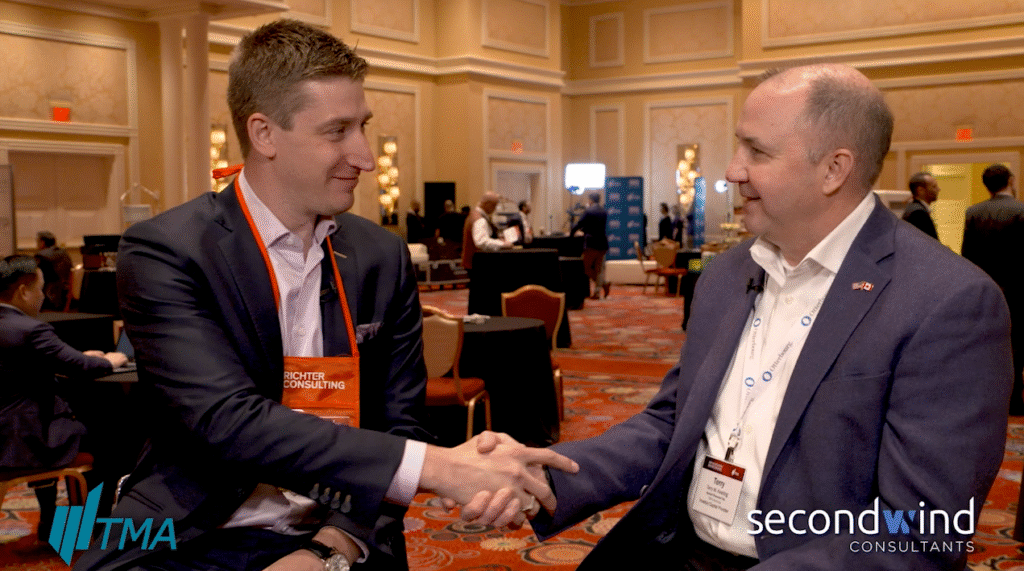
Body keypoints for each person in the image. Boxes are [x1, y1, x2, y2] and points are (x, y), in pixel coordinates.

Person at [78, 20, 576, 571]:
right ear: (264, 134)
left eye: (363, 126)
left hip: (343, 528)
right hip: (191, 530)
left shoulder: (381, 256)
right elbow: (226, 420)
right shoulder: (167, 250)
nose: (365, 156)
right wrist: (440, 468)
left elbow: (400, 424)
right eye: (337, 131)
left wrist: (331, 548)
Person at [487, 64, 1012, 570]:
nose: (732, 170)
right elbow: (673, 422)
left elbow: (919, 530)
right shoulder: (725, 275)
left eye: (756, 152)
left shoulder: (947, 302)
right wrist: (546, 479)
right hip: (684, 552)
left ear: (834, 169)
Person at [0, 255, 128, 539]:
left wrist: (80, 357)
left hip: (8, 432)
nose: (43, 297)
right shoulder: (30, 329)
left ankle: (51, 520)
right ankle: (94, 526)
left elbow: (24, 366)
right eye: (40, 289)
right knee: (115, 442)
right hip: (26, 438)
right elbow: (83, 367)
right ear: (23, 291)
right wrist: (110, 360)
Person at [962, 164, 1024, 415]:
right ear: (1011, 180)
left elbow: (967, 255)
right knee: (1016, 344)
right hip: (1018, 288)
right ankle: (1014, 400)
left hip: (985, 289)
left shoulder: (973, 212)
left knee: (986, 344)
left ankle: (989, 398)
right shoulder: (1021, 211)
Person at [461, 191, 511, 272]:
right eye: (494, 205)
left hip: (474, 263)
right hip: (478, 264)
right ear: (487, 204)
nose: (495, 209)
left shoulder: (474, 214)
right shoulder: (479, 219)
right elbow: (481, 242)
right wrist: (503, 244)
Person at [572, 191, 609, 299]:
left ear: (591, 200)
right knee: (599, 269)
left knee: (586, 268)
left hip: (591, 244)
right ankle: (598, 292)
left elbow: (580, 224)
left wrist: (571, 234)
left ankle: (603, 284)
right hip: (602, 244)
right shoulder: (604, 211)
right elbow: (594, 226)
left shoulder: (588, 211)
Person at [35, 230, 73, 311]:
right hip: (65, 294)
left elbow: (36, 277)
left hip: (49, 297)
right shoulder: (64, 253)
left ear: (42, 243)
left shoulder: (41, 256)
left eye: (37, 242)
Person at [902, 171, 940, 239]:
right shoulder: (918, 213)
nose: (938, 189)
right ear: (920, 190)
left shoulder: (913, 208)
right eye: (934, 186)